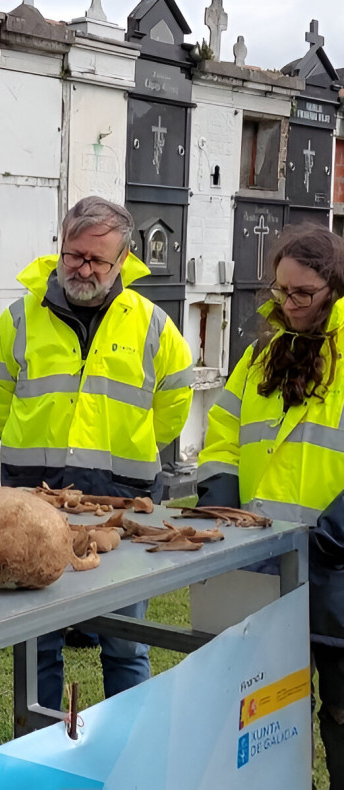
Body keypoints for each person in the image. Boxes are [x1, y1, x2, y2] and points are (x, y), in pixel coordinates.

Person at [0, 196, 193, 711]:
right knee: (38, 643)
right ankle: (42, 750)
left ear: (123, 261)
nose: (84, 268)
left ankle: (129, 753)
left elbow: (173, 405)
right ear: (61, 247)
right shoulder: (19, 318)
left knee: (125, 644)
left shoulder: (154, 326)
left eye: (98, 260)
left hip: (123, 508)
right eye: (74, 255)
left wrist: (125, 454)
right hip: (34, 506)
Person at [197, 224, 344, 786]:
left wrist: (333, 533)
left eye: (302, 294)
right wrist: (222, 505)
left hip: (336, 572)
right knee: (269, 719)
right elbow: (223, 436)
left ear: (334, 289)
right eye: (279, 292)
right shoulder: (262, 357)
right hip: (264, 567)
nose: (286, 305)